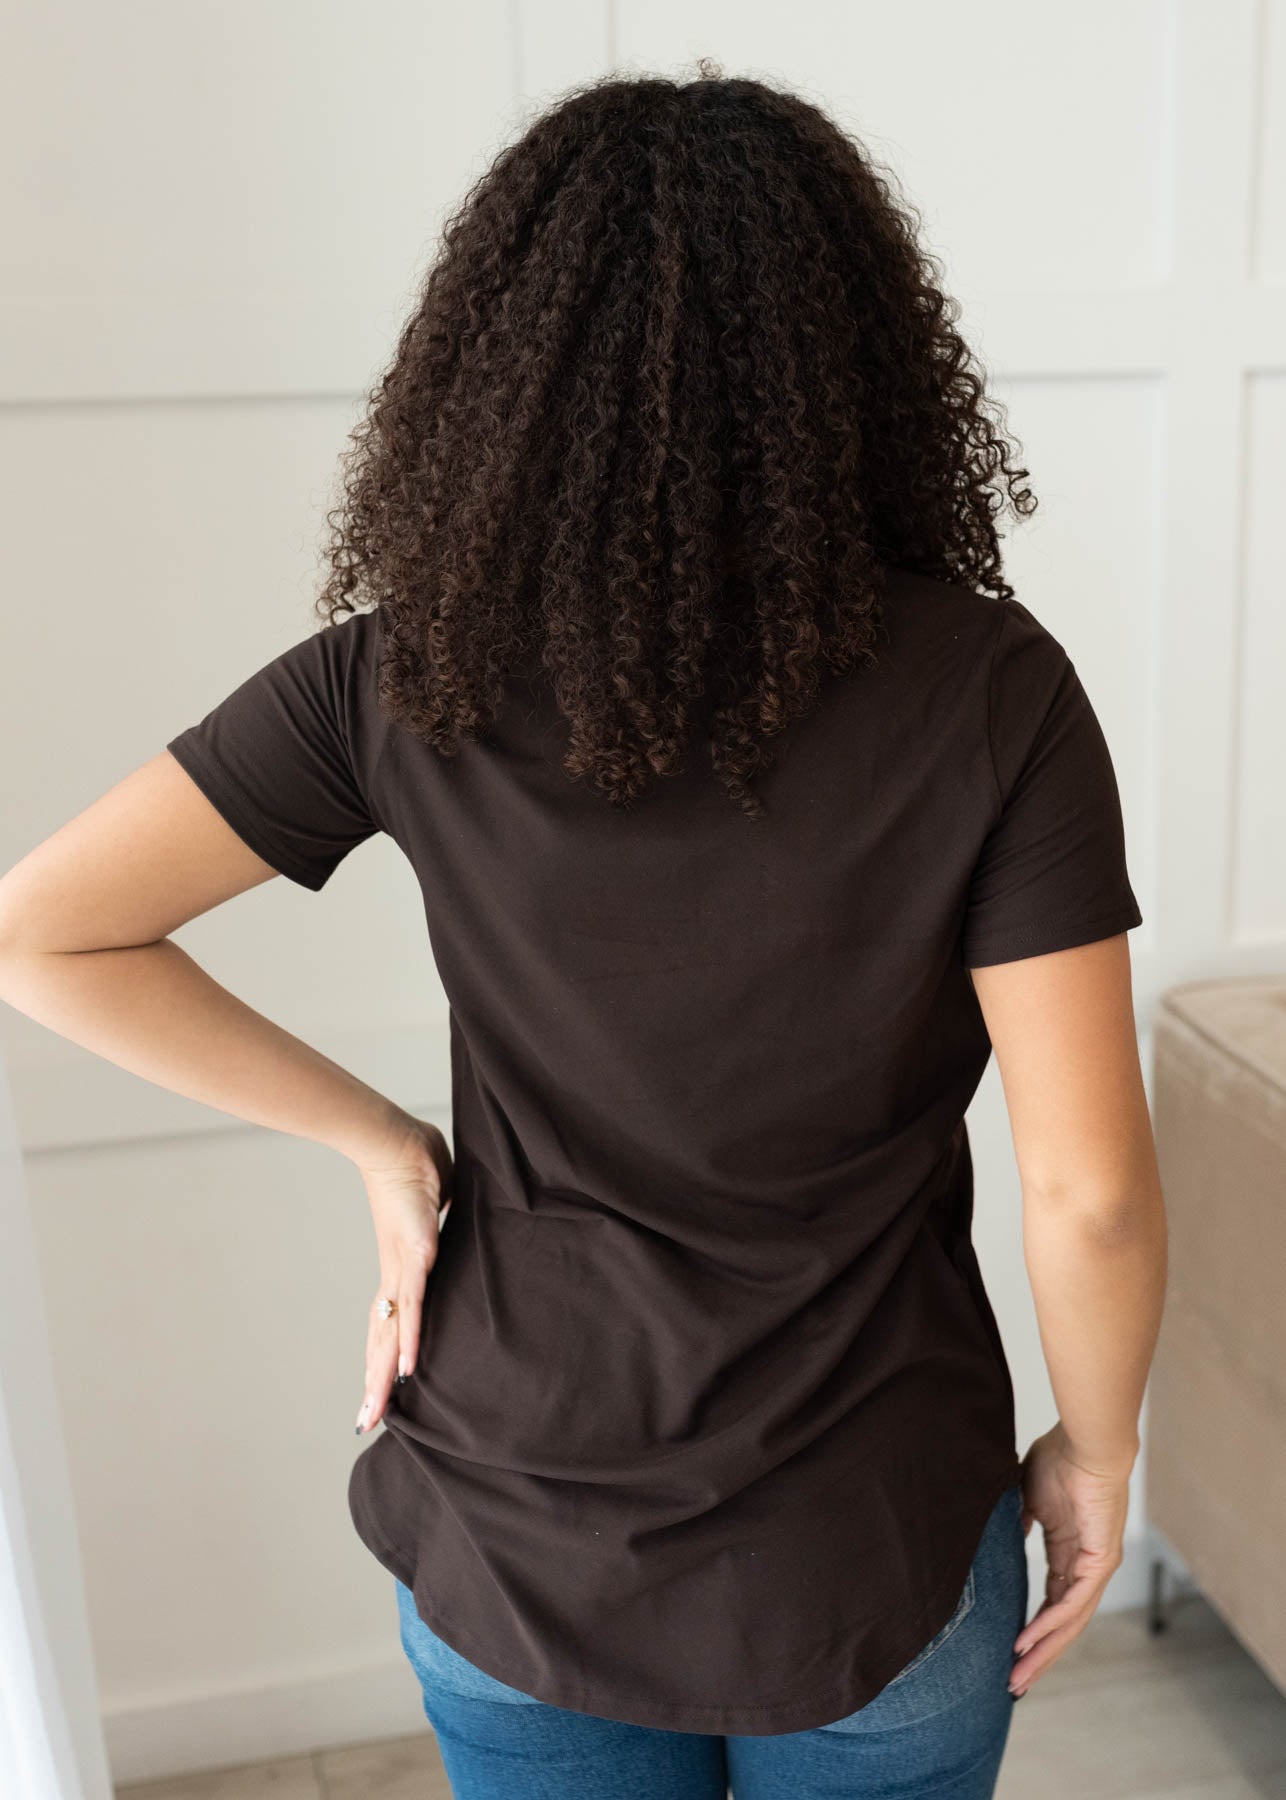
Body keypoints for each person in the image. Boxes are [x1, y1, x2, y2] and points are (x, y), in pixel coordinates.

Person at [0, 64, 1166, 1800]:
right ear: (858, 362)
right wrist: (1095, 1448)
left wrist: (380, 1146)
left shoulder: (400, 677)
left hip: (512, 1544)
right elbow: (1089, 1188)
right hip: (870, 1557)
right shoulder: (993, 692)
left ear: (499, 369)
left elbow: (45, 935)